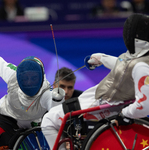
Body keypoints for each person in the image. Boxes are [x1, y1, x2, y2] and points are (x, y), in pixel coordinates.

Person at [41, 13, 149, 149]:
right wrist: (102, 58)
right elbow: (125, 67)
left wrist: (126, 114)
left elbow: (145, 105)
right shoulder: (141, 56)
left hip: (106, 103)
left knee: (48, 120)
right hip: (104, 96)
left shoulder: (142, 66)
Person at [0, 53, 65, 150]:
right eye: (25, 78)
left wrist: (58, 100)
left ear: (41, 77)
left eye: (33, 78)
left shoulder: (46, 94)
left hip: (27, 124)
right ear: (19, 76)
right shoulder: (13, 76)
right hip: (4, 114)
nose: (29, 82)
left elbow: (56, 112)